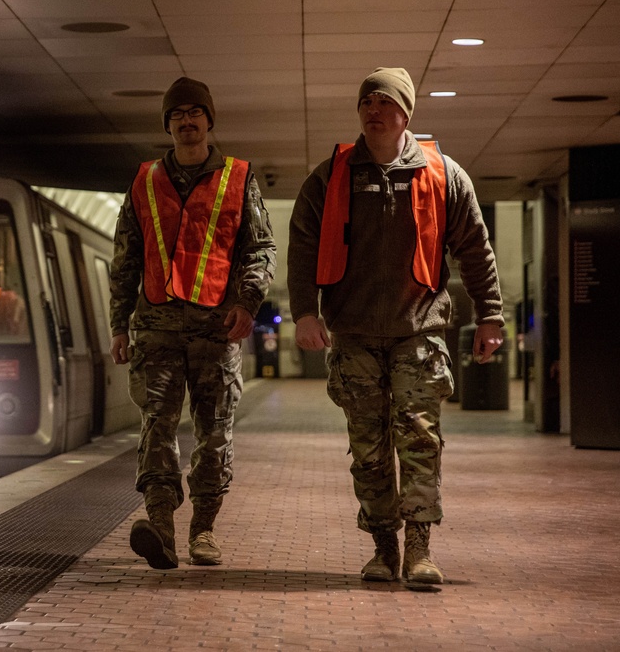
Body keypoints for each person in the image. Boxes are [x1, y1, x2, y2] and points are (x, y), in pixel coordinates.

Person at [287, 67, 504, 585]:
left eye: (384, 102)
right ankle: (383, 548)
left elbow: (475, 249)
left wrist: (491, 314)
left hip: (419, 331)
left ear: (406, 112)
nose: (373, 111)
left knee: (420, 439)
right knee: (368, 445)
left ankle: (420, 550)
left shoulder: (444, 174)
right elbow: (301, 248)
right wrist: (304, 312)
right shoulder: (330, 176)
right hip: (354, 333)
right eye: (366, 101)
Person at [110, 77, 276, 569]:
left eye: (194, 113)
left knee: (214, 431)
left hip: (216, 328)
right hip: (156, 328)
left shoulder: (239, 176)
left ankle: (204, 529)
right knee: (156, 426)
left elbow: (260, 248)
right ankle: (160, 526)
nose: (187, 121)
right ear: (168, 124)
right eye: (177, 114)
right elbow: (126, 258)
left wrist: (248, 303)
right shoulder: (143, 180)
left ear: (208, 120)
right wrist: (120, 324)